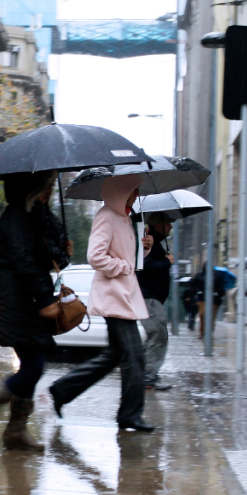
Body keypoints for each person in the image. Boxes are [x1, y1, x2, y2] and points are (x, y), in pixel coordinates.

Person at [49, 176, 154, 432]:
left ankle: (62, 390)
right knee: (134, 356)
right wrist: (124, 266)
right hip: (114, 297)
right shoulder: (107, 216)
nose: (136, 195)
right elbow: (95, 256)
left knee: (114, 356)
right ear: (121, 190)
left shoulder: (125, 218)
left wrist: (144, 248)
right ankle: (129, 415)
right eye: (133, 190)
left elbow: (129, 258)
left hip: (124, 295)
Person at [0, 171, 60, 451]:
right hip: (17, 304)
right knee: (34, 366)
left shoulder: (34, 216)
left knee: (32, 365)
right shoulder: (17, 217)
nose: (49, 192)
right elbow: (24, 262)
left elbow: (39, 259)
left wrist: (61, 251)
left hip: (26, 303)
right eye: (46, 186)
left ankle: (15, 431)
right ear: (32, 188)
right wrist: (45, 299)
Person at [136, 212, 174, 391]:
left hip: (151, 297)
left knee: (155, 336)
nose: (171, 226)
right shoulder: (150, 242)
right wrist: (167, 262)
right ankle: (148, 377)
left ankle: (144, 374)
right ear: (158, 226)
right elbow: (144, 266)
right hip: (148, 297)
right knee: (158, 335)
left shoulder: (156, 243)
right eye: (168, 223)